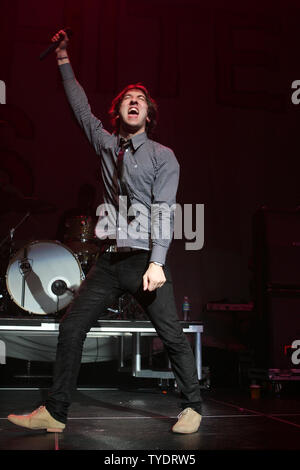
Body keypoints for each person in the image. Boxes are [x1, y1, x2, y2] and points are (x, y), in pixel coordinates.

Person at [7, 30, 202, 434]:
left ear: (149, 113)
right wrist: (63, 60)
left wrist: (158, 263)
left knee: (171, 333)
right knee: (72, 325)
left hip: (145, 259)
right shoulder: (106, 144)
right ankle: (56, 412)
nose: (134, 102)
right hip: (112, 259)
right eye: (128, 98)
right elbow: (79, 107)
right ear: (119, 111)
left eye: (141, 99)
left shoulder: (164, 157)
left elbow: (165, 210)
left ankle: (193, 406)